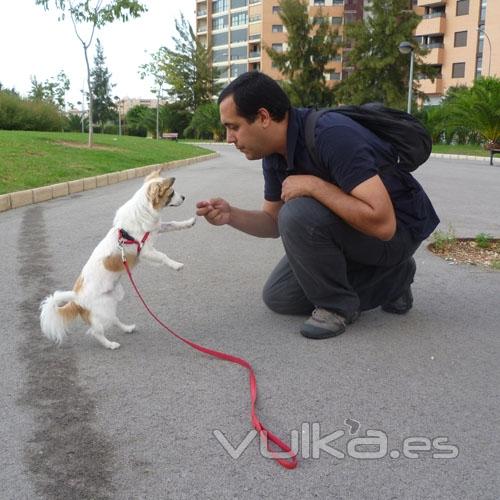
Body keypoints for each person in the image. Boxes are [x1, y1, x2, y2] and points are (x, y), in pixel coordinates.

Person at [196, 71, 439, 340]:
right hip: (357, 233)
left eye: (234, 126)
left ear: (263, 117)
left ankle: (338, 307)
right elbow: (273, 221)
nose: (229, 138)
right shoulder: (275, 154)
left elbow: (383, 224)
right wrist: (231, 216)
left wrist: (315, 186)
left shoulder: (332, 135)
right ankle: (393, 278)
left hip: (398, 233)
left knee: (298, 213)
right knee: (279, 296)